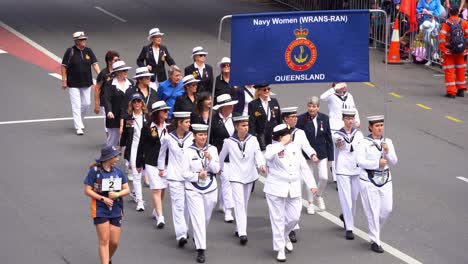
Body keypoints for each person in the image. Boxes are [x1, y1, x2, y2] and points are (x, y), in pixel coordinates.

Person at [263, 124, 317, 262]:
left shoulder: (295, 148)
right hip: (276, 188)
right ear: (281, 137)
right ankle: (280, 249)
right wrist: (281, 144)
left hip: (293, 187)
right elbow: (267, 156)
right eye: (288, 134)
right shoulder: (272, 148)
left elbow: (304, 168)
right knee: (278, 219)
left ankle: (285, 235)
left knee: (294, 217)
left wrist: (312, 184)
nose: (291, 136)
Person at [218, 116, 266, 245]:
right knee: (239, 203)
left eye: (247, 125)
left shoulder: (253, 140)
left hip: (249, 176)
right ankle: (243, 233)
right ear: (236, 127)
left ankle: (238, 227)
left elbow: (258, 154)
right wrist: (219, 169)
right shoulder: (228, 142)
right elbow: (221, 157)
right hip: (235, 176)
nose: (246, 128)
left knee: (244, 203)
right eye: (243, 125)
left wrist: (261, 165)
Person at [356, 115, 398, 253]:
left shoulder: (388, 142)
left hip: (385, 179)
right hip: (368, 180)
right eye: (377, 126)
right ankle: (375, 241)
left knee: (387, 209)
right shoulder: (363, 142)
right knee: (373, 211)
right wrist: (376, 164)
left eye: (381, 125)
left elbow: (394, 161)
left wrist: (387, 151)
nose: (380, 128)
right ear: (370, 127)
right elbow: (360, 162)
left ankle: (374, 230)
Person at [84, 146, 130, 264]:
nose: (117, 158)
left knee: (114, 242)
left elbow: (127, 189)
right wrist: (102, 198)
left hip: (116, 209)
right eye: (115, 156)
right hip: (100, 208)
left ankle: (107, 259)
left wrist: (117, 194)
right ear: (108, 158)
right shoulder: (95, 172)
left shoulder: (118, 172)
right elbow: (87, 190)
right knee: (104, 241)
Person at [182, 124, 220, 263]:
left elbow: (216, 169)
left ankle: (198, 236)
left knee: (205, 218)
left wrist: (210, 159)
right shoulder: (187, 152)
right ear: (194, 136)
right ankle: (201, 250)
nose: (203, 137)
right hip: (193, 189)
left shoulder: (213, 149)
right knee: (198, 218)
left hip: (210, 188)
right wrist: (197, 176)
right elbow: (184, 173)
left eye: (205, 134)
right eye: (200, 134)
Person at [281, 107, 318, 243]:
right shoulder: (279, 131)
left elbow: (306, 146)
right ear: (285, 118)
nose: (295, 118)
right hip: (283, 171)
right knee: (284, 200)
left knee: (296, 199)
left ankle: (292, 227)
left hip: (296, 170)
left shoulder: (300, 133)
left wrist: (312, 154)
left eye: (296, 116)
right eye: (292, 116)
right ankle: (287, 229)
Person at [158, 112, 193, 247]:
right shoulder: (168, 138)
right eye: (186, 122)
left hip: (189, 176)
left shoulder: (191, 137)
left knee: (187, 205)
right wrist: (161, 168)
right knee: (178, 205)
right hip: (174, 176)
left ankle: (185, 228)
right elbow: (162, 154)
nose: (189, 124)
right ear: (179, 123)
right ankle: (181, 234)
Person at [296, 96, 333, 213]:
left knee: (324, 177)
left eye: (314, 106)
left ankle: (318, 195)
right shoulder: (301, 119)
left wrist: (330, 157)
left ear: (318, 107)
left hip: (322, 153)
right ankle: (310, 203)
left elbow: (329, 137)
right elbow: (298, 139)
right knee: (309, 178)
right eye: (310, 106)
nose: (311, 108)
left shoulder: (324, 118)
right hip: (306, 155)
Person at [138, 101, 172, 228]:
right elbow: (141, 147)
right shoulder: (147, 128)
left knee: (163, 188)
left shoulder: (170, 127)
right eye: (164, 111)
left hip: (167, 162)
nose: (167, 113)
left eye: (167, 111)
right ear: (158, 113)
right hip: (152, 162)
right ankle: (160, 217)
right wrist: (138, 163)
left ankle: (156, 210)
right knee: (156, 189)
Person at [332, 109, 364, 240]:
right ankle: (349, 228)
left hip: (356, 169)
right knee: (346, 199)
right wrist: (341, 141)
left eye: (352, 118)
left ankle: (346, 217)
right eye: (347, 118)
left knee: (354, 198)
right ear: (343, 119)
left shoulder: (359, 134)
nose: (350, 121)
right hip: (343, 169)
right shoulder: (337, 134)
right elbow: (340, 145)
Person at [61, 31, 100, 135]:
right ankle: (78, 126)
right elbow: (64, 66)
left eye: (85, 39)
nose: (84, 41)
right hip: (73, 83)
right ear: (76, 41)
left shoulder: (88, 51)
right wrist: (64, 80)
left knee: (87, 103)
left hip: (86, 82)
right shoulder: (70, 51)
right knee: (76, 105)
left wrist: (100, 74)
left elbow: (95, 64)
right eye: (82, 39)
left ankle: (80, 120)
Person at [320, 82, 360, 183]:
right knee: (335, 152)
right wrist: (334, 89)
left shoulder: (349, 95)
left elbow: (353, 108)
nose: (343, 88)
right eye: (341, 86)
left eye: (344, 86)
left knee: (346, 150)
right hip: (335, 127)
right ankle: (336, 177)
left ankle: (345, 171)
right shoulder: (331, 96)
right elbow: (322, 97)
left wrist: (356, 119)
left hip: (347, 127)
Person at [210, 94, 239, 222]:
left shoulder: (236, 117)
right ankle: (228, 210)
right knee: (227, 181)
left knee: (231, 181)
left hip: (236, 155)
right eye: (228, 106)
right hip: (221, 154)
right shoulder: (214, 120)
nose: (231, 107)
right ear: (222, 108)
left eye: (231, 105)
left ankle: (223, 202)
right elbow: (209, 138)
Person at [119, 93, 148, 212]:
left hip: (146, 148)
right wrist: (121, 147)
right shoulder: (128, 118)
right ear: (131, 103)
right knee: (136, 174)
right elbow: (125, 134)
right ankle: (140, 201)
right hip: (134, 148)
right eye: (134, 101)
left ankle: (135, 191)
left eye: (139, 101)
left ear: (142, 103)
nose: (137, 104)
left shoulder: (148, 117)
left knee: (145, 172)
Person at [439, 5, 468, 98]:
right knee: (461, 69)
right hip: (461, 50)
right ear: (458, 12)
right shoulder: (464, 22)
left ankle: (451, 92)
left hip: (450, 50)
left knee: (450, 70)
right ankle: (461, 90)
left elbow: (442, 38)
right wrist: (466, 49)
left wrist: (443, 49)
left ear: (450, 12)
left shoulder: (446, 23)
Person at [102, 61, 133, 147]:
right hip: (114, 117)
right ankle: (109, 159)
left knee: (130, 137)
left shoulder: (131, 84)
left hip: (128, 117)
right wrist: (109, 111)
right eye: (124, 70)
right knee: (113, 140)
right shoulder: (109, 85)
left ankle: (129, 160)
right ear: (117, 72)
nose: (126, 72)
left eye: (126, 70)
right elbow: (106, 99)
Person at [248, 84, 281, 151]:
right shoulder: (253, 104)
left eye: (268, 89)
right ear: (259, 91)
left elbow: (279, 119)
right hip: (261, 136)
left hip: (274, 135)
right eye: (264, 89)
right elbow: (252, 123)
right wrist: (252, 138)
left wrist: (281, 133)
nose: (267, 91)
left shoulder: (274, 101)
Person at [94, 50, 120, 137]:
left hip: (117, 101)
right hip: (105, 101)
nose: (118, 62)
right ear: (109, 61)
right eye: (115, 60)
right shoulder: (103, 74)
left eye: (118, 60)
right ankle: (109, 141)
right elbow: (97, 88)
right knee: (108, 121)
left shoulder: (119, 72)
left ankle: (116, 140)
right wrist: (97, 104)